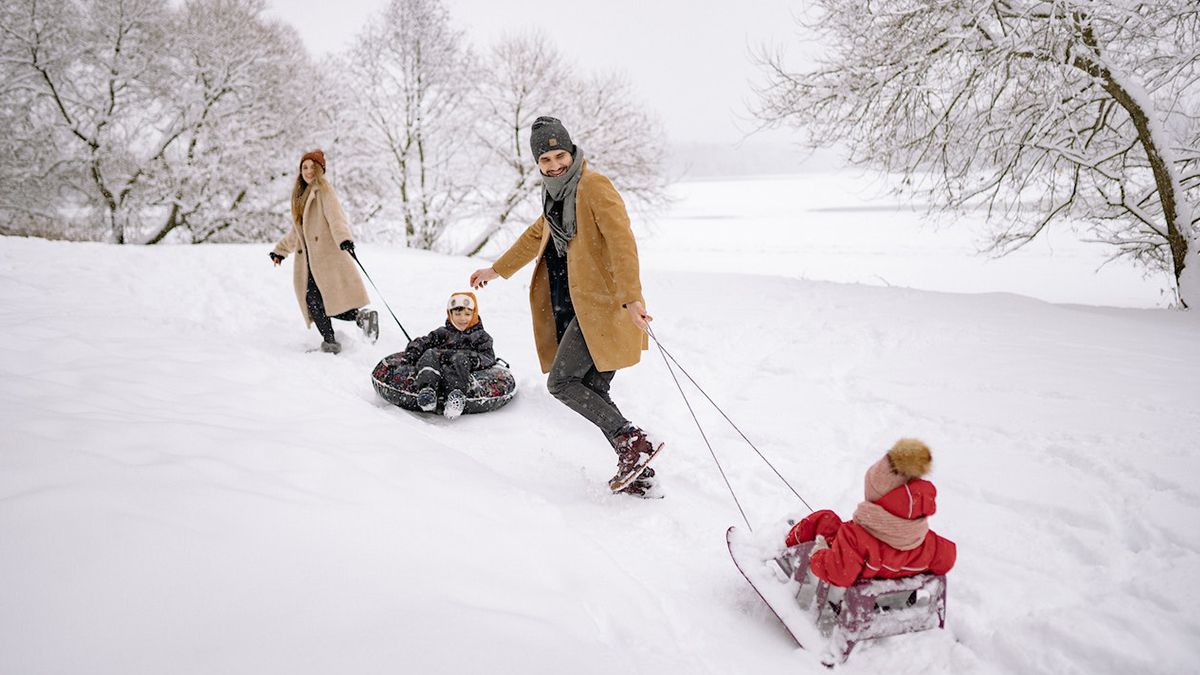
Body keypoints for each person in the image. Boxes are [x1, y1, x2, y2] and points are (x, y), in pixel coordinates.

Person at [469, 116, 664, 496]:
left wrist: (631, 297)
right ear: (538, 164)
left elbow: (622, 242)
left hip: (604, 306)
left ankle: (632, 441)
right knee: (591, 387)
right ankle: (638, 471)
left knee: (562, 383)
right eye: (545, 160)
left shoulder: (593, 186)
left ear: (572, 152)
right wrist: (495, 270)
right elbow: (534, 236)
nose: (554, 164)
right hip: (573, 307)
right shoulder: (555, 194)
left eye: (560, 155)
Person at [785, 438, 957, 587]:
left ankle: (786, 548)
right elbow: (948, 557)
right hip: (872, 566)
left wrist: (818, 553)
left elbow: (838, 573)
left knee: (824, 518)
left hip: (847, 559)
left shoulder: (855, 537)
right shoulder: (929, 544)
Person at [270, 149, 378, 354]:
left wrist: (344, 239)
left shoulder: (324, 190)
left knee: (318, 302)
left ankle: (331, 341)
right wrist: (281, 251)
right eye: (305, 167)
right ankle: (358, 319)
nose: (308, 171)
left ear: (320, 170)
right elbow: (297, 232)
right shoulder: (301, 195)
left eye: (313, 167)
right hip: (309, 262)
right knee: (318, 302)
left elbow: (336, 217)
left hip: (325, 258)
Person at [399, 291, 496, 420]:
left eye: (467, 314)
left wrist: (474, 359)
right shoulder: (443, 333)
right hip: (439, 364)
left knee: (460, 358)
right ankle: (427, 391)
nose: (462, 318)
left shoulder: (480, 337)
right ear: (450, 314)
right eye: (457, 314)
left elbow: (488, 356)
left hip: (461, 368)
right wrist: (414, 350)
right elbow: (425, 341)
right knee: (429, 354)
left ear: (474, 314)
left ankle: (455, 396)